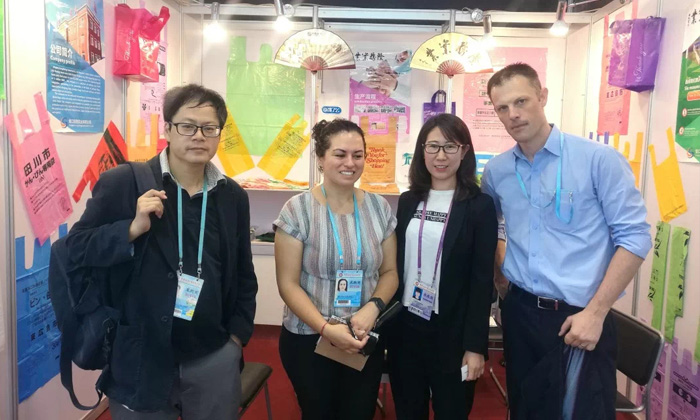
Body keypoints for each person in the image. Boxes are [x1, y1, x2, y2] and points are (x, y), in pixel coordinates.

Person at [66, 84, 258, 419]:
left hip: (212, 353)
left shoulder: (232, 196)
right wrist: (129, 230)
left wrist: (236, 337)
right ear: (167, 129)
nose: (198, 136)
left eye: (209, 128)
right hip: (140, 354)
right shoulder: (125, 183)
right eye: (187, 126)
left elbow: (243, 271)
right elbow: (76, 249)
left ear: (219, 134)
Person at [480, 63, 651, 419]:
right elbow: (490, 225)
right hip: (521, 314)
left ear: (542, 97)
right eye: (502, 108)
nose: (513, 115)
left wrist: (596, 312)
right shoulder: (497, 171)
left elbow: (635, 237)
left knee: (580, 412)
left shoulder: (597, 160)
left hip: (579, 317)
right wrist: (501, 277)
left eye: (521, 101)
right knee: (524, 409)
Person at [274, 118, 399, 420]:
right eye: (340, 154)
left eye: (358, 155)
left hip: (362, 336)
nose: (350, 163)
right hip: (310, 338)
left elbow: (390, 273)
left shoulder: (379, 208)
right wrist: (326, 328)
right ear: (320, 158)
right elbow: (287, 284)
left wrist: (373, 307)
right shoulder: (297, 210)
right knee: (318, 412)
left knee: (360, 412)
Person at [387, 114, 497, 419]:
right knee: (408, 410)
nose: (440, 156)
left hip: (453, 333)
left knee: (453, 411)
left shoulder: (479, 206)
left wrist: (475, 347)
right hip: (407, 326)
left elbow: (481, 281)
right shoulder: (409, 200)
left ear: (464, 151)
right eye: (433, 146)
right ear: (422, 151)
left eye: (450, 147)